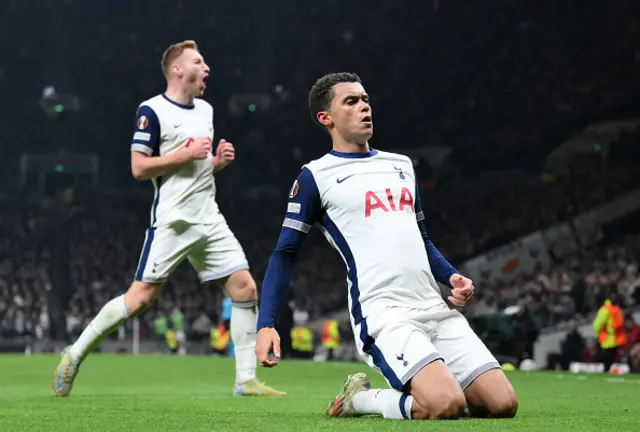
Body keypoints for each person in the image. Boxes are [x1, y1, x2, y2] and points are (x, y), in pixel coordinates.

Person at [254, 72, 517, 420]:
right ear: (325, 117)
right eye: (351, 101)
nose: (364, 107)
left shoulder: (401, 166)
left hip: (433, 307)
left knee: (502, 405)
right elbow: (285, 253)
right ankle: (360, 400)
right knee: (444, 405)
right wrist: (266, 323)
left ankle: (430, 386)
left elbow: (421, 238)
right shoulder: (314, 177)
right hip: (385, 314)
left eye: (365, 99)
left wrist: (452, 276)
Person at [52, 40, 285, 398]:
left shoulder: (206, 110)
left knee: (244, 288)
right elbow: (139, 167)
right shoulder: (152, 110)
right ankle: (75, 353)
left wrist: (214, 163)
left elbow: (195, 167)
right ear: (177, 69)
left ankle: (245, 380)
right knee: (140, 299)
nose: (206, 68)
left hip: (209, 216)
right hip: (174, 220)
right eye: (198, 61)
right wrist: (187, 153)